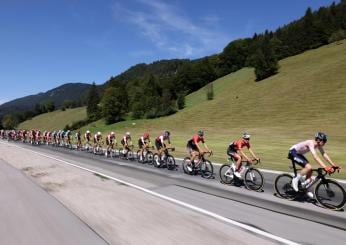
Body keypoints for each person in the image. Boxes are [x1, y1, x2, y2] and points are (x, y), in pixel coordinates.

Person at [289, 132, 339, 198]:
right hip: (293, 152)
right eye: (324, 141)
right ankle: (295, 179)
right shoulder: (311, 143)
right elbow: (315, 157)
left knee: (310, 170)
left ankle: (305, 188)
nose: (325, 142)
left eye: (325, 141)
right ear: (318, 140)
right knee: (309, 167)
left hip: (299, 154)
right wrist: (325, 167)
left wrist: (333, 165)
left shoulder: (319, 145)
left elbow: (324, 154)